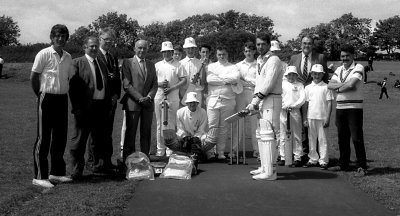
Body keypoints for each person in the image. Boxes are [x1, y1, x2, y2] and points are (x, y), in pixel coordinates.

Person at [30, 24, 73, 188]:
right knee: (43, 138)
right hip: (46, 98)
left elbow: (68, 78)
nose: (60, 39)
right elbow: (33, 77)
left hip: (62, 99)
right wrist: (40, 95)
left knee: (60, 137)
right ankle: (39, 176)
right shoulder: (44, 54)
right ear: (52, 37)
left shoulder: (68, 57)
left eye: (63, 36)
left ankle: (57, 173)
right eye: (57, 36)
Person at [69, 36, 111, 179]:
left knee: (97, 140)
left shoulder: (102, 63)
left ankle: (95, 166)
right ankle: (76, 169)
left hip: (100, 107)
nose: (94, 48)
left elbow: (106, 85)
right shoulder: (77, 63)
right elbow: (73, 89)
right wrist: (77, 108)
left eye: (95, 46)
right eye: (91, 46)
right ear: (85, 47)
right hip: (84, 108)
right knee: (79, 140)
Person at [247, 33, 283, 180]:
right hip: (263, 100)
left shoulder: (274, 59)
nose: (260, 47)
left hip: (272, 99)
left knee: (269, 135)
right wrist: (255, 101)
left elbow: (269, 83)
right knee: (261, 134)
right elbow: (259, 83)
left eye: (263, 44)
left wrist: (256, 100)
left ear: (269, 44)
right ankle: (264, 167)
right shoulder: (260, 59)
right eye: (258, 44)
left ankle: (270, 172)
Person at [288, 35, 329, 165]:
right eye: (304, 43)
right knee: (298, 125)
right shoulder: (294, 58)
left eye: (310, 43)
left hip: (314, 95)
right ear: (301, 44)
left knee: (313, 129)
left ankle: (315, 155)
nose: (307, 46)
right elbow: (289, 76)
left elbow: (325, 76)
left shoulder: (320, 57)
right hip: (298, 95)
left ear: (313, 45)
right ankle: (299, 153)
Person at [328, 44, 368, 177]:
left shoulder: (359, 67)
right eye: (342, 56)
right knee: (342, 138)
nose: (344, 59)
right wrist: (343, 86)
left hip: (354, 108)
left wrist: (338, 87)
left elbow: (352, 85)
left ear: (353, 56)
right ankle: (343, 164)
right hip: (340, 107)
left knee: (356, 138)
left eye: (347, 56)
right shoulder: (339, 69)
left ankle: (362, 166)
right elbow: (329, 85)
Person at [86, 27, 121, 170]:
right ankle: (93, 162)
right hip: (97, 101)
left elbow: (117, 78)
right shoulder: (95, 54)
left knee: (107, 133)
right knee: (95, 133)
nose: (108, 42)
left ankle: (106, 161)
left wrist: (115, 95)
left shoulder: (112, 56)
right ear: (100, 38)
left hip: (110, 102)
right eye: (106, 39)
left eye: (110, 40)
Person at [120, 39, 157, 161]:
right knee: (130, 134)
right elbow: (127, 85)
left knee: (146, 133)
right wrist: (140, 98)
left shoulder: (151, 64)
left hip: (148, 104)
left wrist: (149, 97)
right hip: (133, 104)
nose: (142, 50)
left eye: (144, 48)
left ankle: (145, 159)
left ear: (147, 49)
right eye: (139, 48)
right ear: (134, 49)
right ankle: (128, 160)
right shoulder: (128, 62)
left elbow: (154, 84)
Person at [206, 45, 241, 160]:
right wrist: (226, 80)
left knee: (224, 126)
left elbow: (235, 78)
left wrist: (219, 79)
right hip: (213, 99)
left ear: (227, 54)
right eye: (219, 54)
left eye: (224, 54)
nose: (221, 56)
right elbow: (209, 80)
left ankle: (220, 152)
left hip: (228, 100)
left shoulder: (233, 66)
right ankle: (210, 151)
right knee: (212, 126)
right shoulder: (211, 66)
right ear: (216, 55)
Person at [154, 41, 187, 157]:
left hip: (173, 96)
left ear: (172, 52)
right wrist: (160, 84)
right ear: (162, 52)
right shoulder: (157, 65)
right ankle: (160, 148)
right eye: (165, 52)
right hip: (159, 95)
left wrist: (172, 88)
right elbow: (152, 82)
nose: (167, 53)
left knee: (171, 123)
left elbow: (184, 80)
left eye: (169, 51)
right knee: (160, 123)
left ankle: (170, 148)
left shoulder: (178, 65)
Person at [302, 64, 333, 170]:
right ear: (311, 74)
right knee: (311, 139)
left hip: (322, 117)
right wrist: (305, 118)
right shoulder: (307, 87)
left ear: (322, 74)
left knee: (323, 139)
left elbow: (329, 103)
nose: (317, 76)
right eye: (315, 73)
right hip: (311, 117)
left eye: (319, 74)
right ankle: (313, 159)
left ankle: (324, 160)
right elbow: (305, 104)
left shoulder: (326, 87)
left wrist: (328, 118)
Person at [233, 41, 258, 158]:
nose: (248, 53)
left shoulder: (259, 64)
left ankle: (257, 150)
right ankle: (234, 149)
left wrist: (250, 82)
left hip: (253, 94)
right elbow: (236, 80)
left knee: (255, 123)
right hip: (241, 94)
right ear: (244, 52)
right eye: (246, 51)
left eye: (250, 51)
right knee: (239, 122)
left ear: (254, 51)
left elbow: (259, 81)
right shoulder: (238, 65)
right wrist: (246, 82)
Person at [278, 66, 305, 167]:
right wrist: (283, 106)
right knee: (283, 135)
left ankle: (297, 157)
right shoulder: (282, 85)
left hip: (295, 112)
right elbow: (279, 97)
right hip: (283, 112)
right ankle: (283, 156)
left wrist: (294, 106)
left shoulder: (300, 85)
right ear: (286, 75)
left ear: (296, 75)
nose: (291, 76)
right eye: (289, 74)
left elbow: (302, 98)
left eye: (293, 74)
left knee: (297, 135)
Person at [180, 37, 206, 108]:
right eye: (188, 48)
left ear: (195, 49)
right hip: (183, 94)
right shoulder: (180, 63)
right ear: (185, 49)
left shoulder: (200, 63)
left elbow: (203, 82)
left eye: (192, 48)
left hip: (197, 93)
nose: (190, 50)